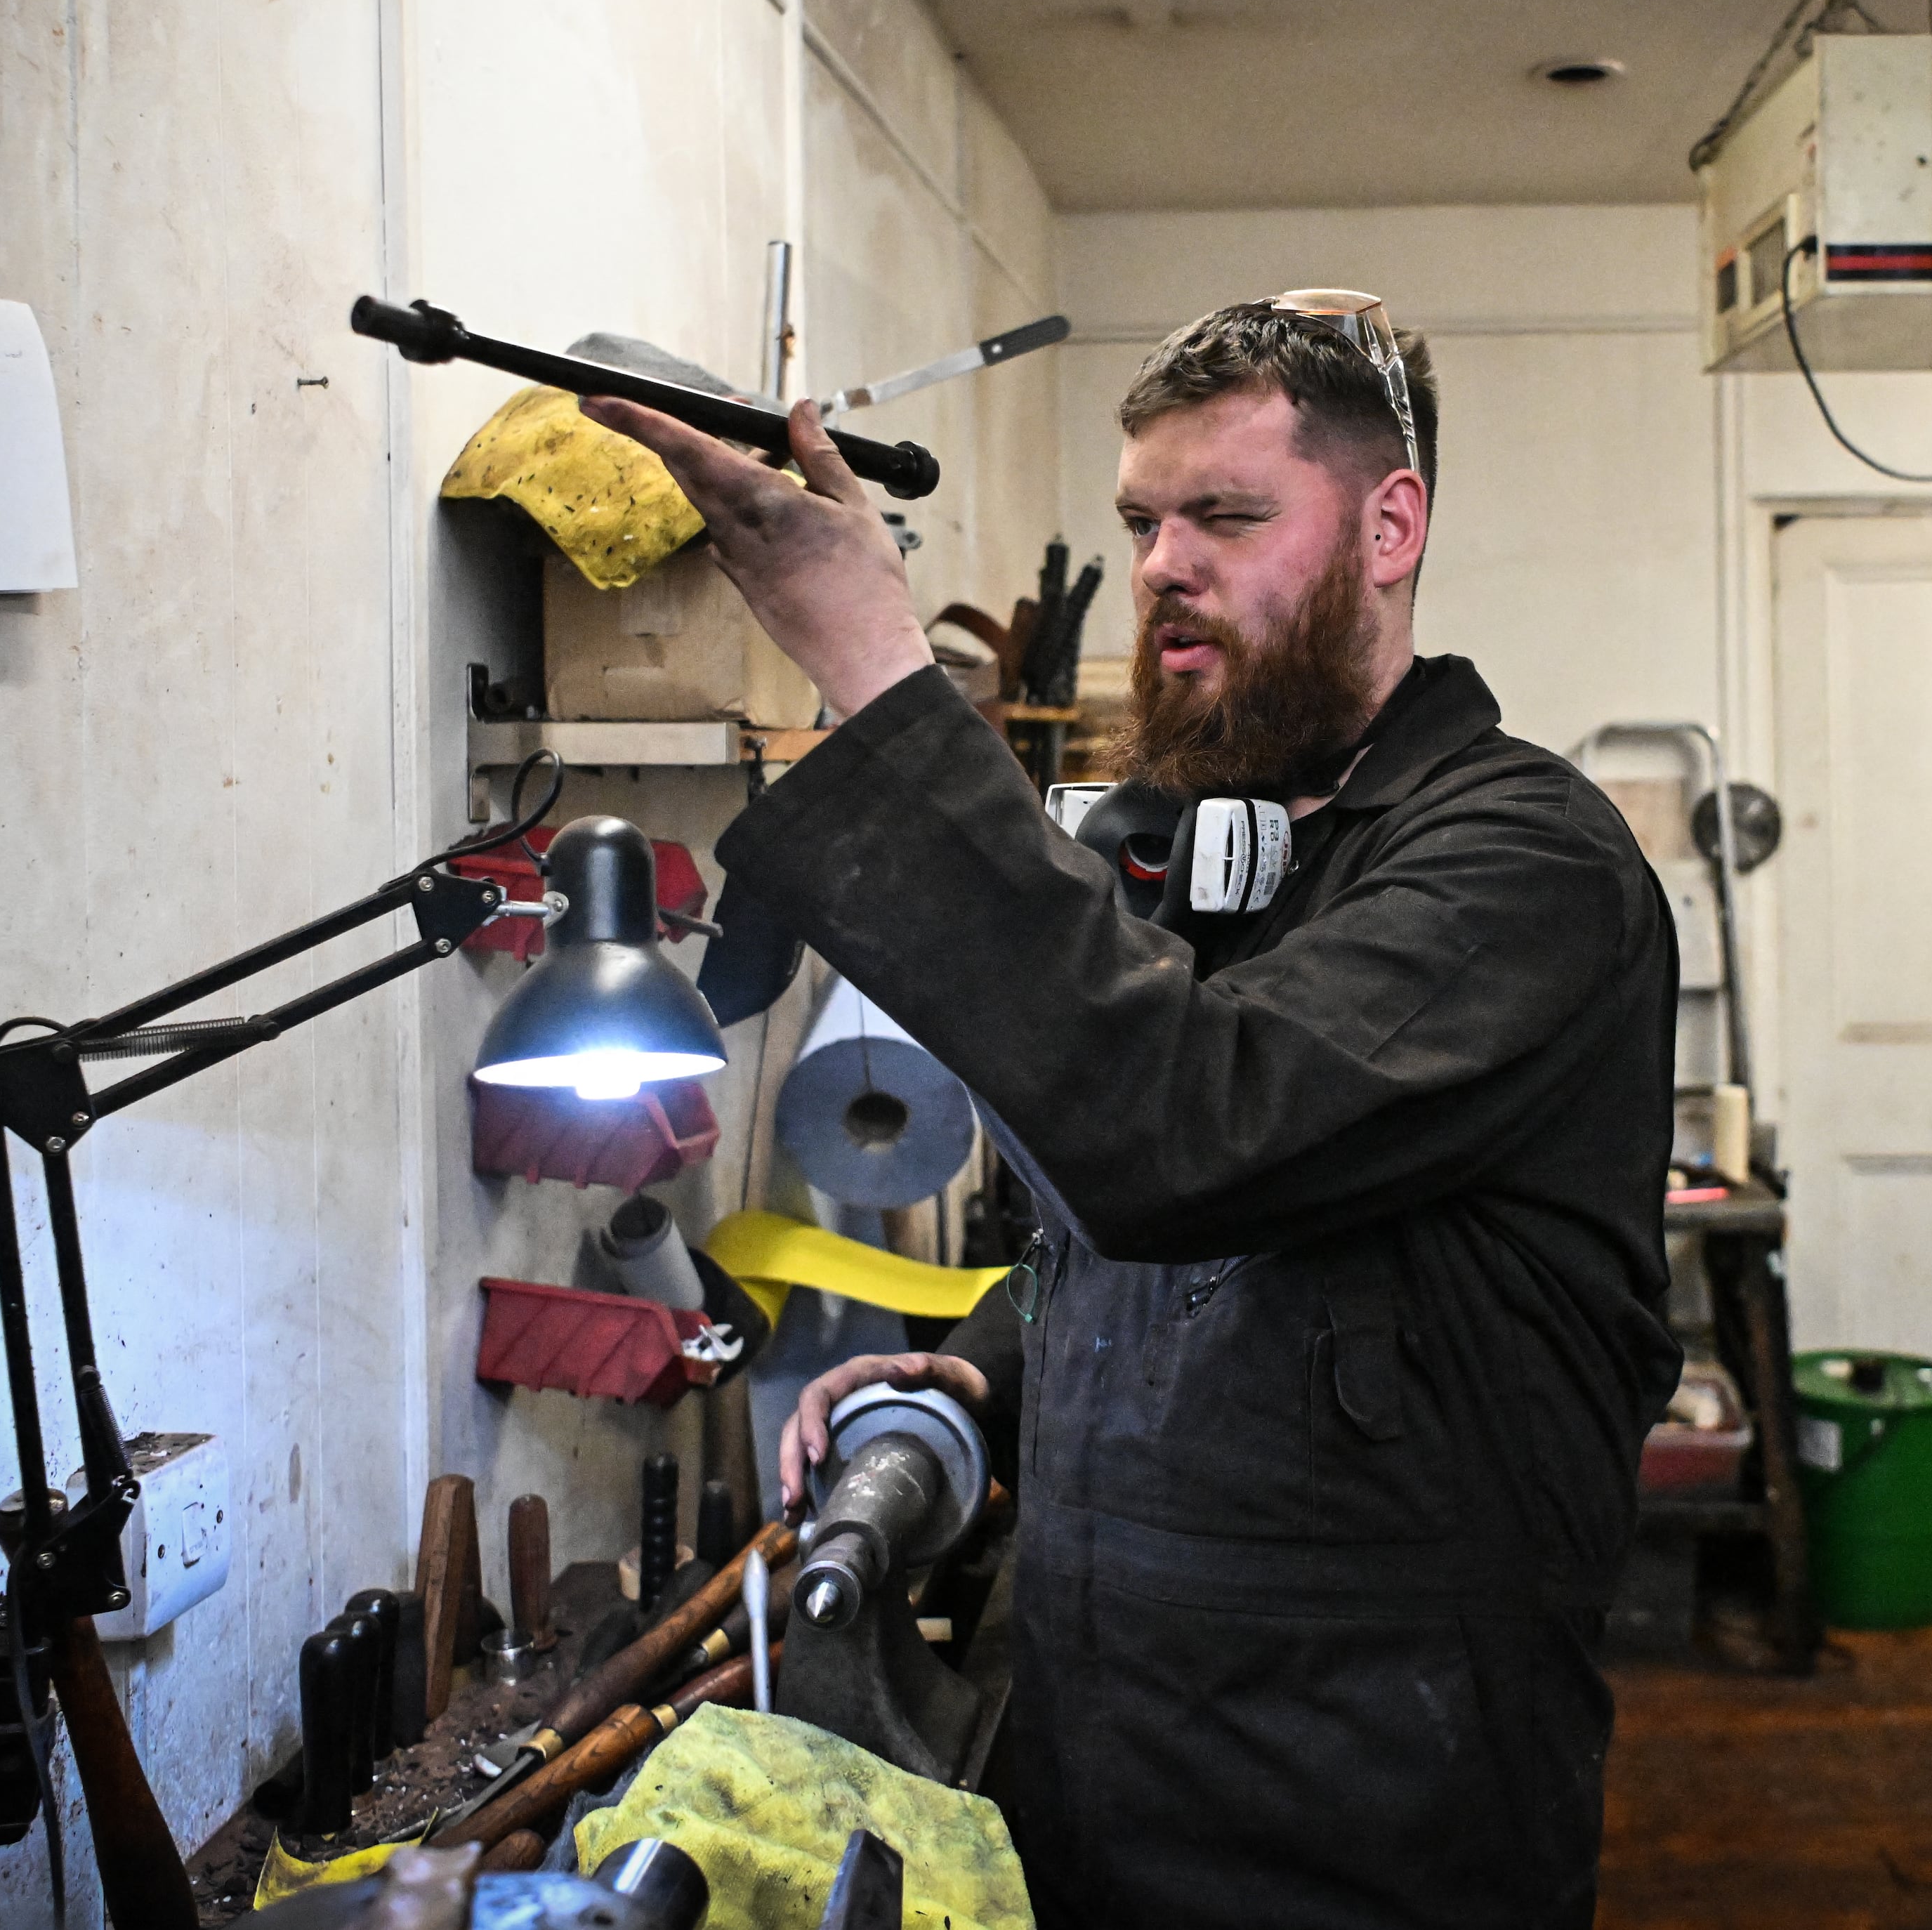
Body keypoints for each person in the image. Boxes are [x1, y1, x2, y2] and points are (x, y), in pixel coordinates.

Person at [582, 294, 1678, 1929]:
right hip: (1098, 1764)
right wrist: (985, 1370)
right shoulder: (1203, 848)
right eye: (1141, 521)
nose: (1165, 561)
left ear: (1392, 525)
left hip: (1370, 1810)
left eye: (1226, 514)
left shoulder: (1522, 865)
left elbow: (1183, 1141)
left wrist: (881, 669)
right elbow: (1149, 1260)